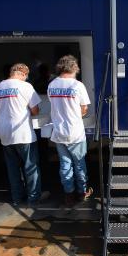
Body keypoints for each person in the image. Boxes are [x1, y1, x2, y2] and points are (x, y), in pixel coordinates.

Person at [0, 63, 48, 206]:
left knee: (12, 168)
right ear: (23, 73)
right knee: (30, 166)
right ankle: (34, 197)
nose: (27, 78)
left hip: (4, 133)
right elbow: (35, 110)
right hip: (23, 133)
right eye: (27, 76)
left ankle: (17, 198)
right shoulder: (26, 86)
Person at [48, 55, 93, 206]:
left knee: (65, 165)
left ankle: (68, 194)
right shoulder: (77, 85)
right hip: (75, 133)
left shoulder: (52, 85)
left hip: (58, 132)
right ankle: (82, 192)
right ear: (74, 68)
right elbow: (84, 109)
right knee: (79, 164)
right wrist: (75, 114)